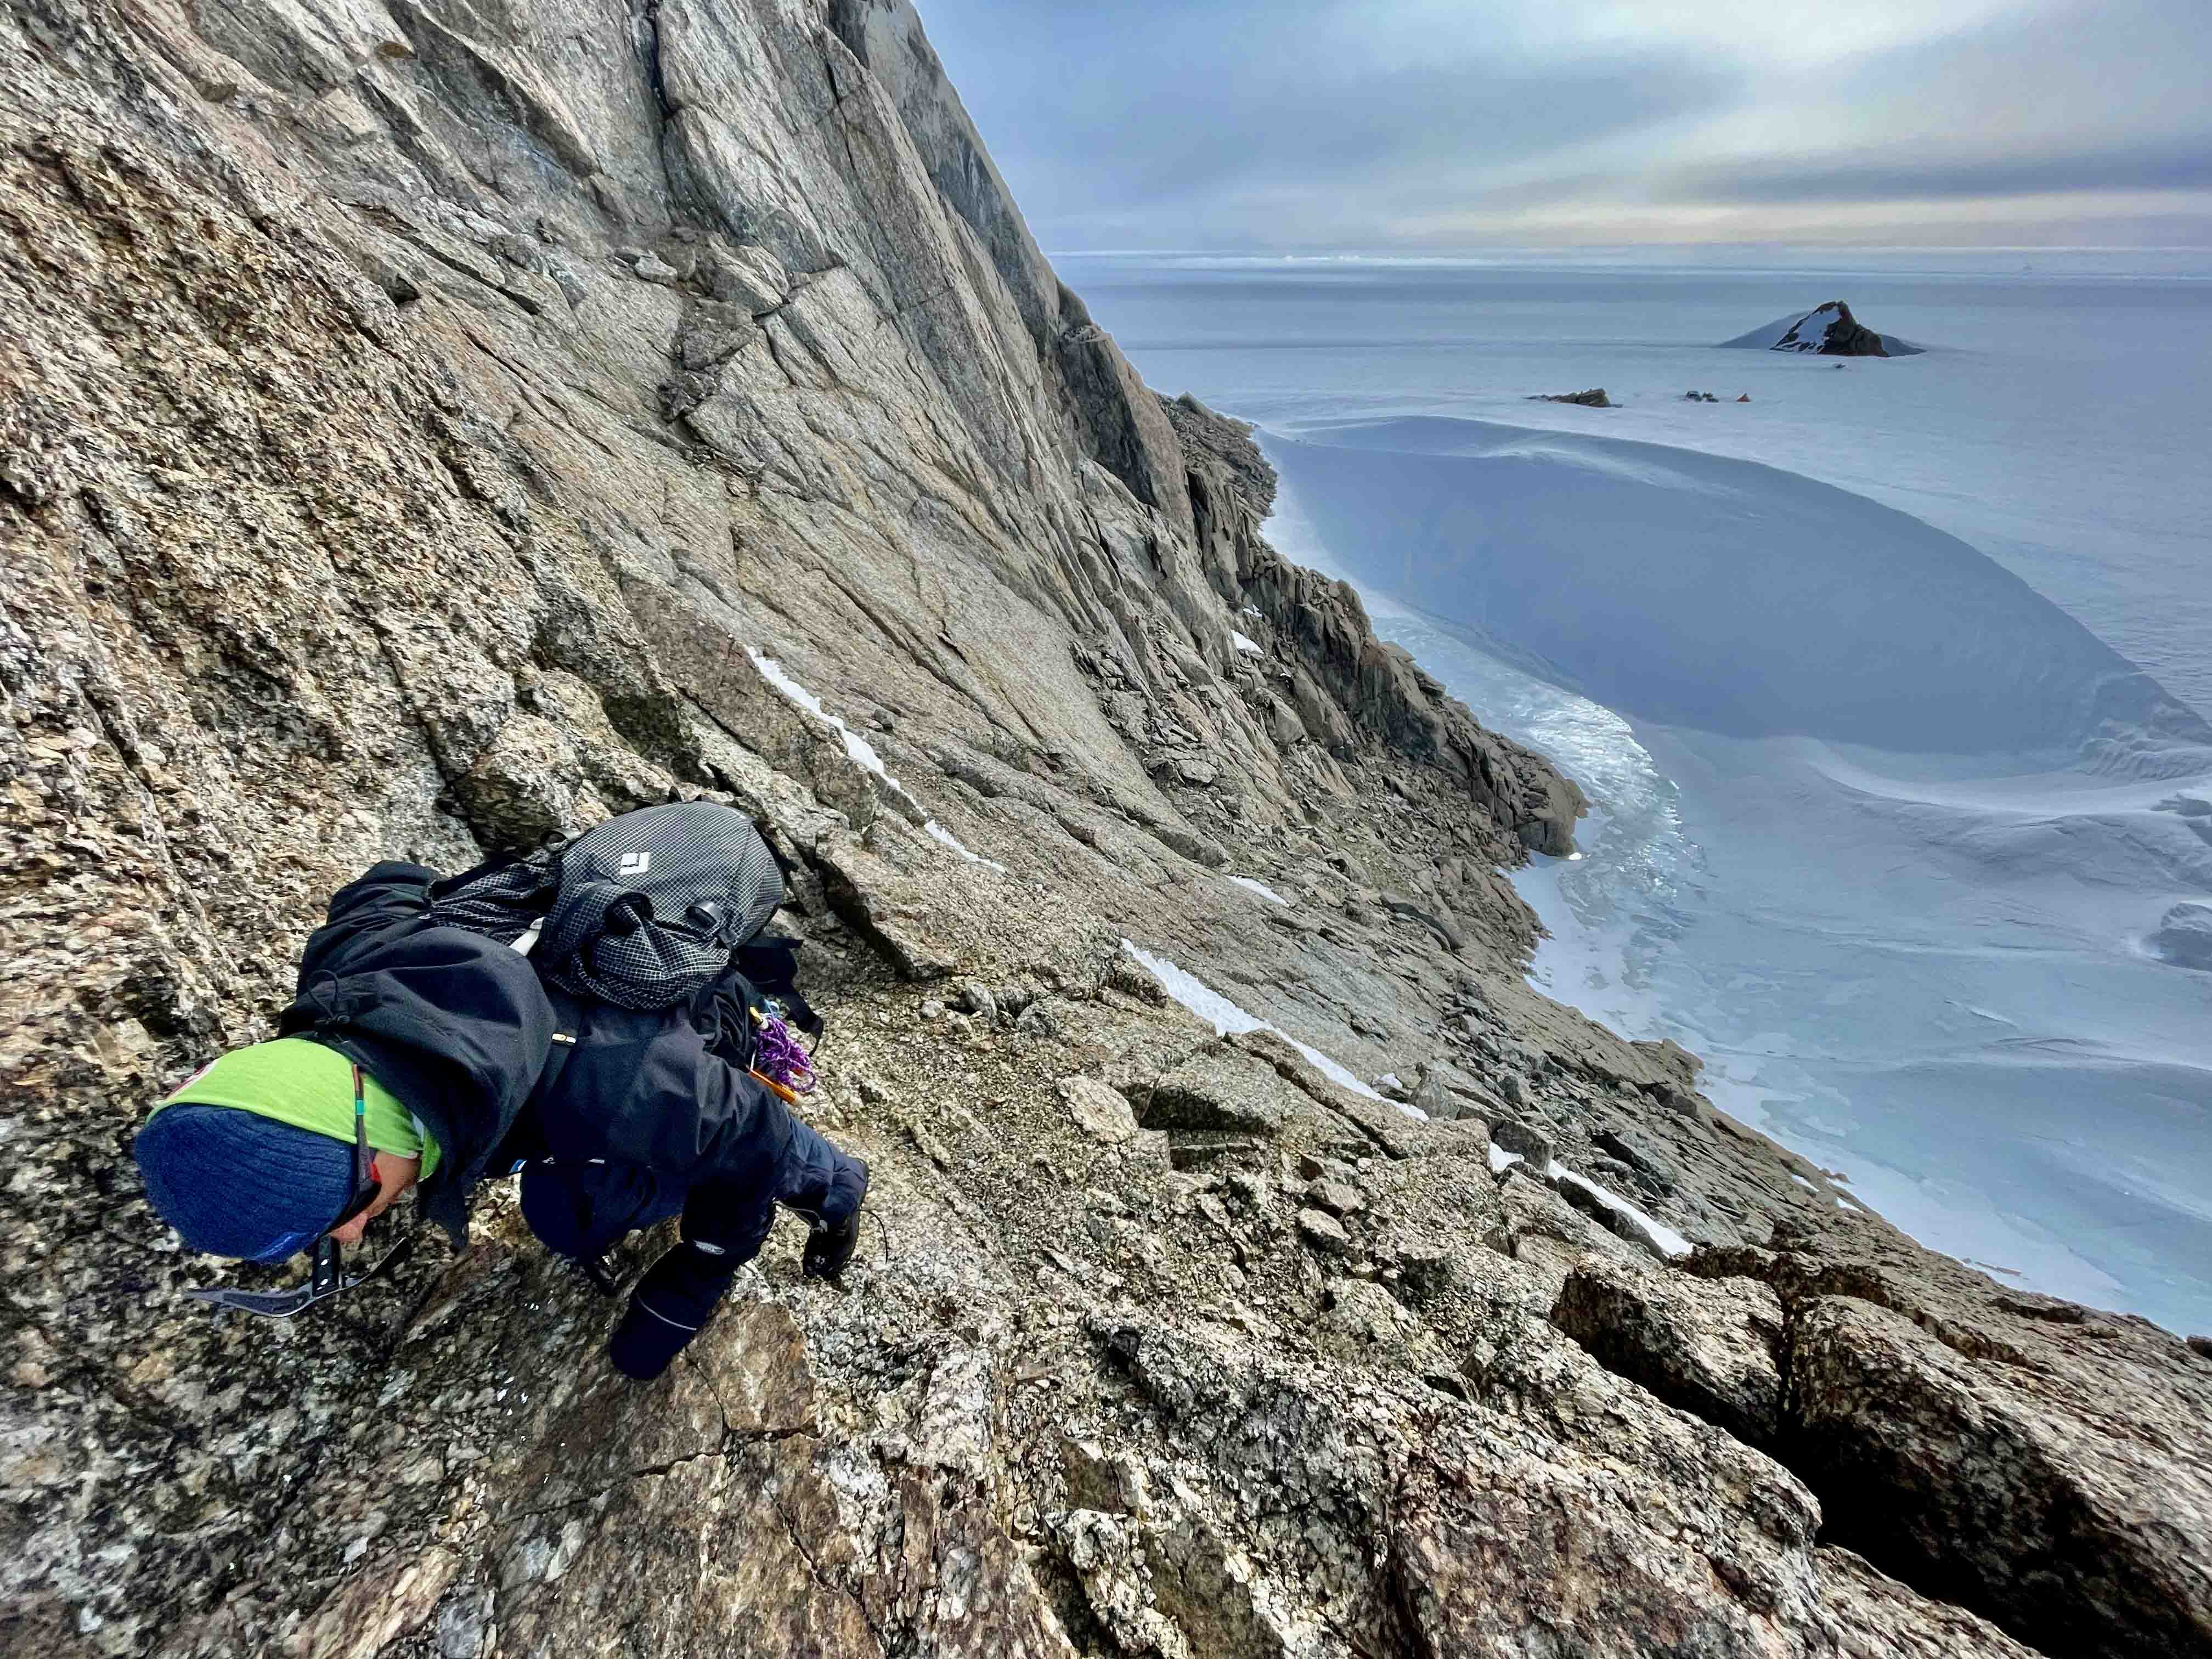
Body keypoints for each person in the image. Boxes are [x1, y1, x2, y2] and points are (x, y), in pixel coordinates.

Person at [133, 857, 869, 1380]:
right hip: (557, 1042)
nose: (354, 1232)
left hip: (691, 1033)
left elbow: (753, 1133)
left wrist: (695, 1279)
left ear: (366, 1126)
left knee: (569, 1215)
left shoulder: (604, 1079)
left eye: (346, 1209)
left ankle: (831, 1186)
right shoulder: (348, 973)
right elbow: (385, 885)